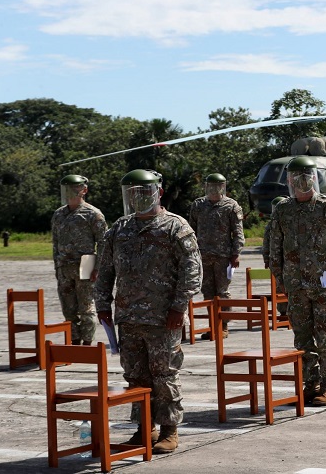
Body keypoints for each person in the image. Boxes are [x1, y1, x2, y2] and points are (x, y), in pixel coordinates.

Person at [95, 169, 202, 453]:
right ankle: (144, 428)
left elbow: (192, 271)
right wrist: (103, 304)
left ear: (158, 192)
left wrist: (180, 306)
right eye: (134, 194)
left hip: (164, 317)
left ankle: (169, 429)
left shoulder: (175, 227)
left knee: (164, 375)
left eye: (145, 192)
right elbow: (104, 270)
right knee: (136, 377)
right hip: (128, 318)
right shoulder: (120, 228)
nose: (139, 199)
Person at [269, 156, 326, 406]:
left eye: (304, 179)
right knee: (302, 339)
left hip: (324, 285)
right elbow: (275, 247)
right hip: (296, 286)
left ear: (313, 179)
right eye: (295, 180)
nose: (300, 184)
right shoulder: (283, 210)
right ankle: (310, 383)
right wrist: (279, 279)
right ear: (288, 181)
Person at [51, 174, 107, 346]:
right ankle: (74, 341)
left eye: (74, 190)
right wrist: (57, 267)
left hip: (86, 264)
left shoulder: (93, 214)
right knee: (68, 309)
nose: (70, 193)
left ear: (84, 190)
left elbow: (103, 242)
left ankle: (87, 343)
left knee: (86, 307)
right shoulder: (59, 214)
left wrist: (97, 268)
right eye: (67, 190)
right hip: (64, 267)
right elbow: (55, 242)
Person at [189, 173, 244, 339]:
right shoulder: (198, 205)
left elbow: (238, 233)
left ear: (223, 187)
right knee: (208, 292)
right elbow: (191, 230)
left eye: (218, 186)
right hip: (203, 256)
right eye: (211, 186)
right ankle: (213, 326)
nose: (214, 189)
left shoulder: (231, 206)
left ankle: (223, 327)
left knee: (222, 292)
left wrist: (236, 254)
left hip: (223, 257)